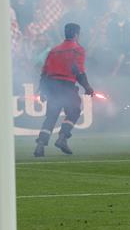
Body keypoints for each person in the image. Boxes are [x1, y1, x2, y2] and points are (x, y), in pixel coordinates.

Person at [35, 23, 94, 157]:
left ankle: (40, 146)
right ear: (76, 35)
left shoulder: (54, 50)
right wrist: (87, 87)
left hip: (51, 86)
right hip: (66, 85)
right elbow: (78, 70)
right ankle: (62, 138)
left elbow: (44, 72)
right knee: (74, 110)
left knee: (51, 116)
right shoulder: (78, 49)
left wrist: (43, 90)